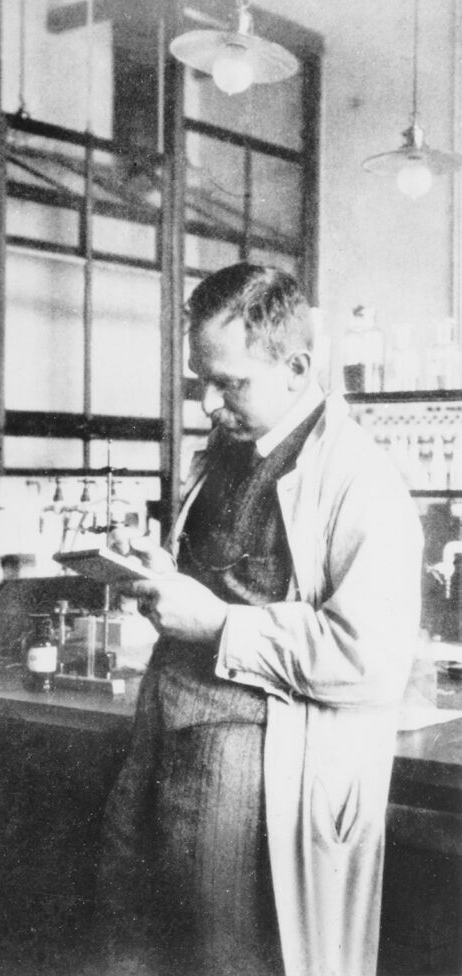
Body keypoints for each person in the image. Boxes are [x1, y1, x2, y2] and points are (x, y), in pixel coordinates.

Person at [96, 264, 423, 976]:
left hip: (246, 764)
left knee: (224, 961)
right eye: (200, 382)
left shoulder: (361, 482)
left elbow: (368, 659)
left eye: (230, 383)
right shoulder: (228, 454)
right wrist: (158, 572)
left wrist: (217, 625)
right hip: (166, 733)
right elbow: (225, 584)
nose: (210, 402)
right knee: (141, 950)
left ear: (297, 366)